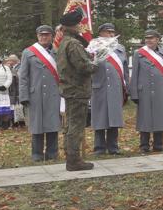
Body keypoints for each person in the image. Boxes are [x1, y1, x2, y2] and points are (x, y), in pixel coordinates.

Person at [56, 10, 97, 171]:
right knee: (76, 126)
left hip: (70, 89)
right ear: (71, 26)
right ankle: (74, 160)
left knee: (70, 125)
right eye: (78, 24)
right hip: (77, 89)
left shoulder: (64, 42)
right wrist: (96, 65)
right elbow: (82, 66)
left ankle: (70, 156)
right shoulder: (73, 44)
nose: (81, 26)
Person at [19, 25, 62, 162]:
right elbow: (23, 76)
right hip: (35, 94)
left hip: (53, 93)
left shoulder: (57, 52)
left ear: (51, 36)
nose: (44, 37)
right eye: (41, 35)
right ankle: (37, 154)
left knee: (53, 124)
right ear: (37, 36)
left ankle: (52, 153)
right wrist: (24, 96)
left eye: (47, 35)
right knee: (36, 125)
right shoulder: (28, 52)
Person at [130, 29, 163, 153]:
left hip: (160, 91)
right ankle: (144, 146)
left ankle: (158, 145)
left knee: (160, 118)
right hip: (144, 91)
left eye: (151, 38)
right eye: (147, 38)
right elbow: (135, 74)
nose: (148, 40)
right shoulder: (139, 53)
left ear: (157, 40)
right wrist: (134, 93)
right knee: (145, 119)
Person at [91, 23, 128, 155]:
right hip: (98, 87)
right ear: (101, 33)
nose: (111, 34)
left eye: (112, 32)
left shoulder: (120, 48)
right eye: (107, 32)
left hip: (115, 87)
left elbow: (124, 70)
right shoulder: (93, 46)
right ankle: (99, 148)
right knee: (99, 118)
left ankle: (113, 147)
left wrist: (126, 87)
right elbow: (88, 68)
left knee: (114, 118)